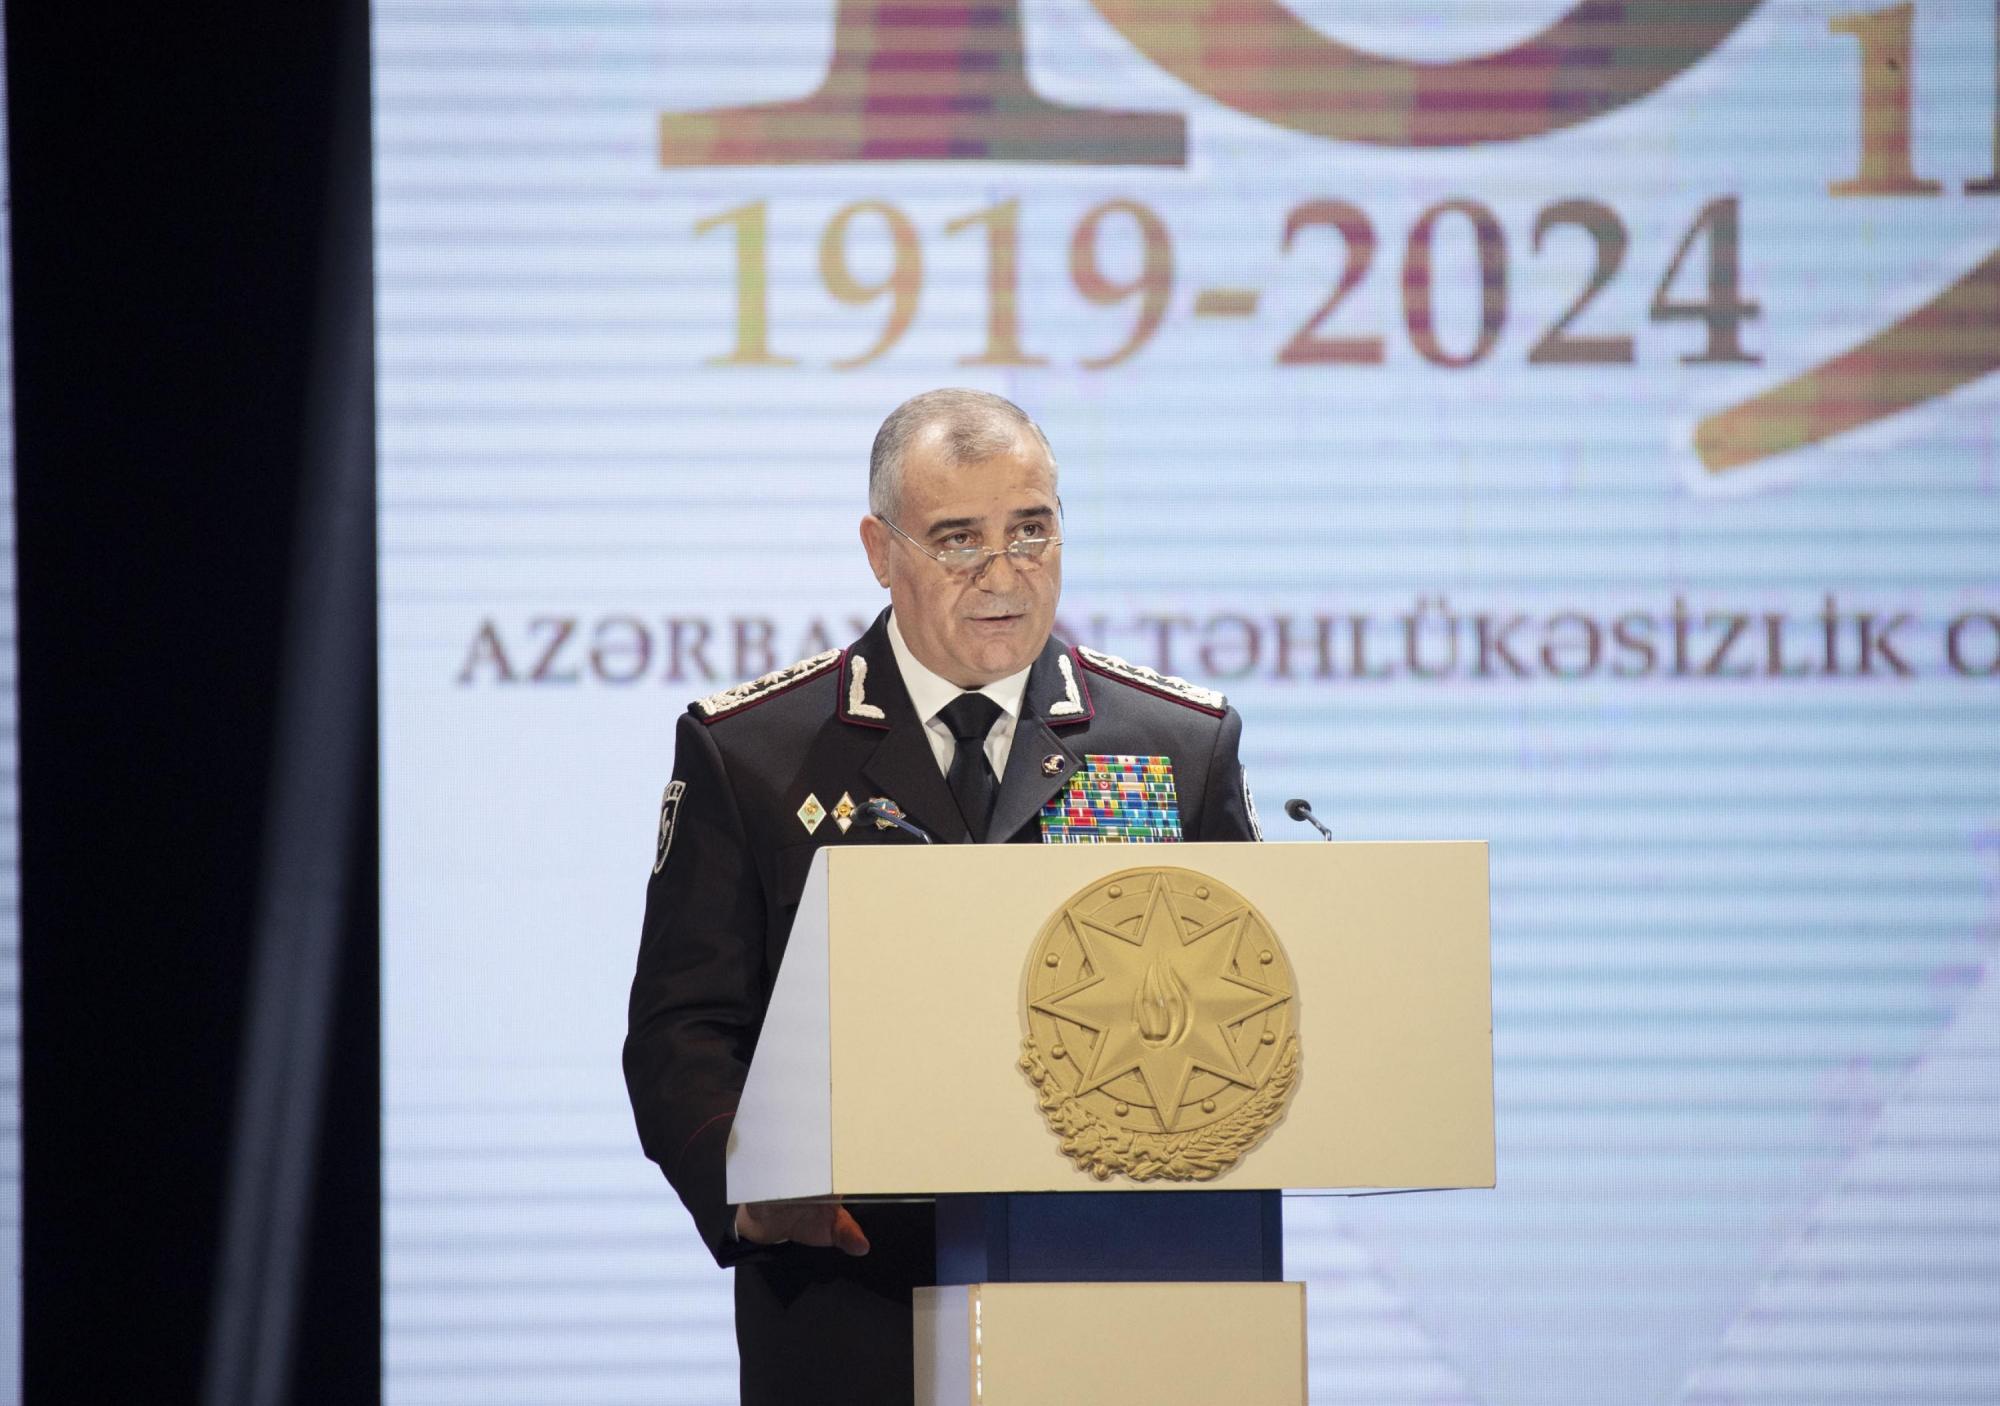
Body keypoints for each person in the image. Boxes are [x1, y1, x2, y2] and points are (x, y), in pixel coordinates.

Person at [623, 388, 1263, 1405]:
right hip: (850, 1302)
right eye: (959, 540)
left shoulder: (1178, 743)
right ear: (880, 551)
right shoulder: (750, 752)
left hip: (1122, 1296)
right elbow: (682, 1027)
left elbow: (1250, 1007)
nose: (1003, 575)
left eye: (1031, 531)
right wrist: (752, 1191)